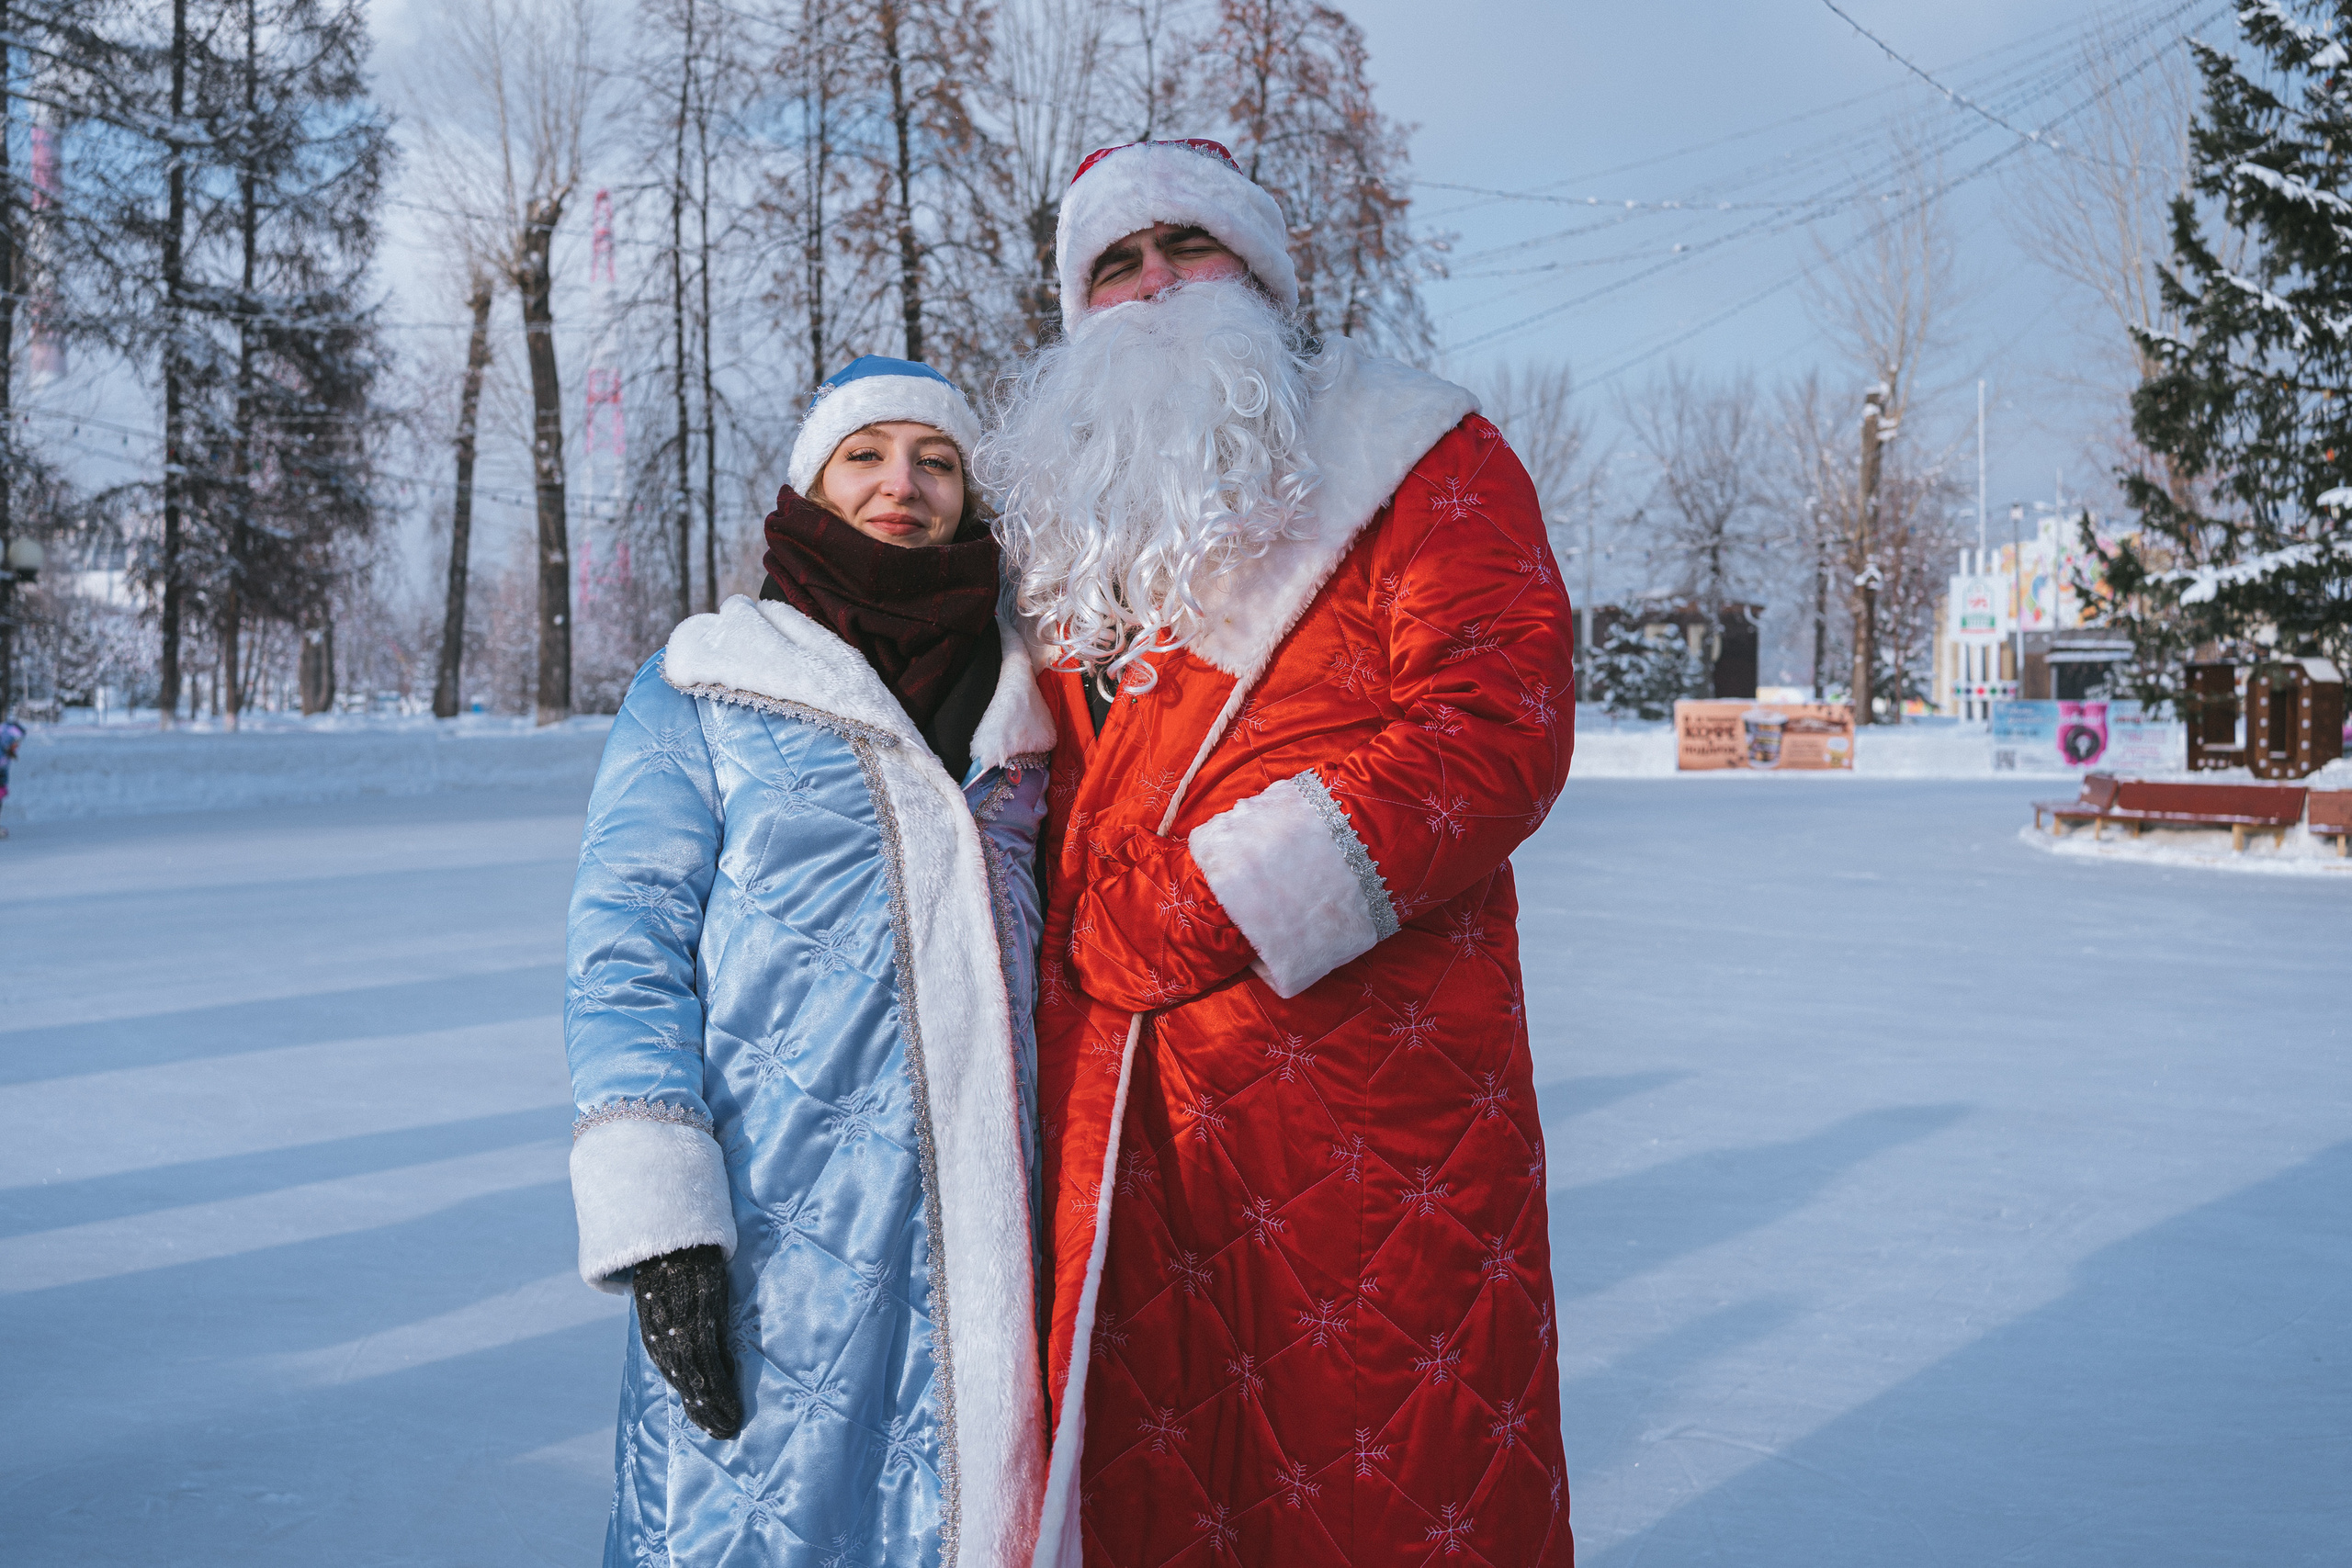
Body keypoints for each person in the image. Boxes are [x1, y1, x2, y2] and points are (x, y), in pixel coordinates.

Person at [981, 141, 1577, 1566]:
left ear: (1266, 273)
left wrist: (1207, 903)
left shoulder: (1416, 452)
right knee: (1146, 1491)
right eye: (1114, 263)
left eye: (1190, 246)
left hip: (1363, 1111)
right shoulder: (1060, 528)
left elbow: (1497, 722)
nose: (1152, 285)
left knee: (1378, 1488)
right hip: (1120, 1120)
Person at [566, 356, 1055, 1567]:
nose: (905, 483)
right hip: (772, 1222)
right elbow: (625, 944)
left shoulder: (1033, 710)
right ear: (813, 486)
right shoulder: (705, 685)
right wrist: (662, 1214)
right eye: (867, 455)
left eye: (937, 462)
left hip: (991, 1229)